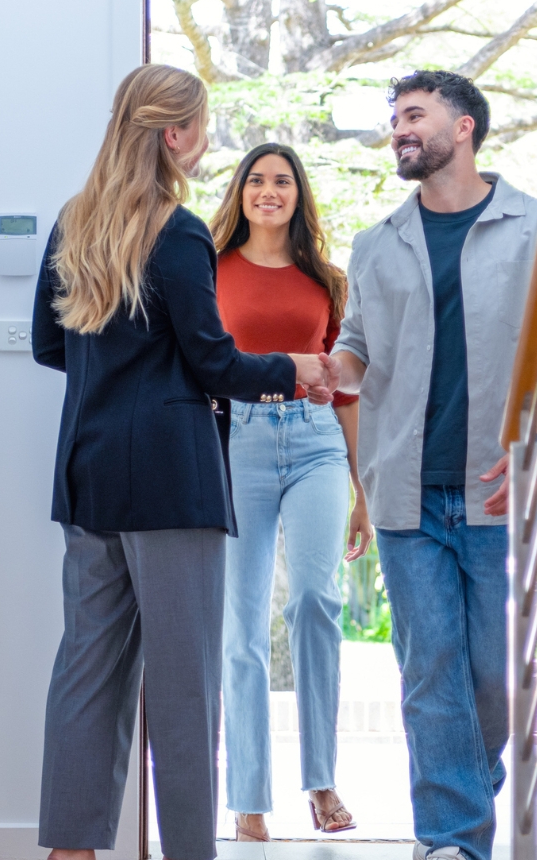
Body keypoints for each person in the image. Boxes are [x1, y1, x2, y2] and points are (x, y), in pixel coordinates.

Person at [31, 65, 334, 860]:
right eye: (200, 127)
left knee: (86, 672)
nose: (205, 142)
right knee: (184, 687)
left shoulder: (74, 220)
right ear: (174, 135)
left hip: (88, 476)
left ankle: (71, 851)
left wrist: (124, 377)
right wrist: (293, 370)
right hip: (171, 483)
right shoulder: (179, 230)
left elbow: (47, 345)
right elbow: (214, 362)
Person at [326, 70, 537, 860]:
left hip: (492, 487)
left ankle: (465, 783)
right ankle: (452, 839)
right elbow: (357, 347)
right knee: (431, 674)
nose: (400, 129)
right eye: (395, 118)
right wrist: (334, 368)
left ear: (464, 128)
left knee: (489, 678)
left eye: (414, 116)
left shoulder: (536, 229)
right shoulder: (376, 243)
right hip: (405, 492)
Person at [206, 143, 370, 841]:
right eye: (256, 180)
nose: (268, 191)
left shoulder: (326, 281)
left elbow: (346, 389)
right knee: (240, 626)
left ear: (299, 197)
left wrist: (360, 484)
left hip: (315, 443)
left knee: (315, 599)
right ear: (240, 193)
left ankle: (322, 779)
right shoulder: (206, 271)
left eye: (282, 182)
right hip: (237, 439)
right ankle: (247, 796)